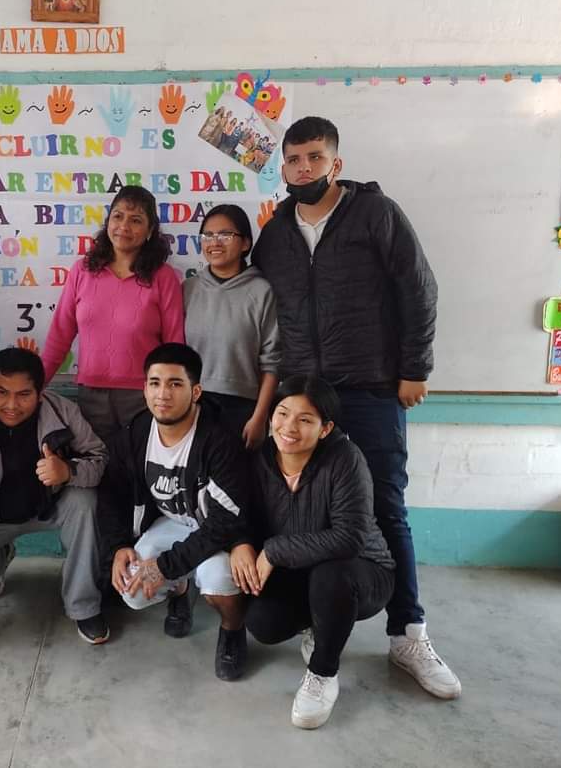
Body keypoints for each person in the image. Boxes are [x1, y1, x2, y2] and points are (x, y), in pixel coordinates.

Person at [251, 116, 460, 699]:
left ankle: (408, 634)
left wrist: (415, 368)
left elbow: (419, 288)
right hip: (304, 398)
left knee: (386, 511)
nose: (303, 169)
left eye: (314, 158)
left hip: (370, 390)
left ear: (335, 163)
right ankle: (321, 623)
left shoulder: (376, 215)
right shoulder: (275, 233)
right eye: (293, 160)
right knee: (305, 515)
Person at [234, 375, 395, 729]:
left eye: (305, 419)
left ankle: (323, 672)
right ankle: (322, 626)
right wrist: (240, 545)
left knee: (331, 577)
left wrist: (274, 550)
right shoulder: (260, 459)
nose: (289, 427)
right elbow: (242, 514)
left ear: (325, 429)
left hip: (362, 570)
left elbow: (349, 538)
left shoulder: (345, 459)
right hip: (300, 569)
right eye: (282, 413)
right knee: (263, 622)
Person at [98, 343, 250, 680]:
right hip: (173, 523)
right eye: (154, 383)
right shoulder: (138, 432)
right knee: (131, 591)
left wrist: (165, 566)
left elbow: (227, 520)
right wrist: (118, 546)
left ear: (195, 391)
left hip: (216, 532)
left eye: (175, 384)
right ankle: (180, 589)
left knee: (220, 581)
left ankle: (232, 630)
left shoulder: (219, 438)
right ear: (144, 388)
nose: (162, 394)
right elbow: (111, 492)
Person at [0, 347, 110, 644]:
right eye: (1, 393)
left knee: (85, 502)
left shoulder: (62, 410)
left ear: (41, 392)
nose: (11, 405)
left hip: (49, 507)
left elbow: (99, 459)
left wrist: (68, 471)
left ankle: (84, 605)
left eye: (24, 394)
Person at [41, 185, 184, 442]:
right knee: (97, 470)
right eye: (118, 216)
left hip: (145, 397)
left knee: (138, 473)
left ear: (150, 231)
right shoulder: (82, 271)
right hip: (90, 394)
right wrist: (34, 386)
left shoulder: (164, 278)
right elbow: (59, 336)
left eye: (136, 220)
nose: (124, 226)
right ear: (108, 221)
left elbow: (174, 344)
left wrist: (172, 394)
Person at [183, 204, 279, 449]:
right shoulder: (188, 289)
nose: (215, 242)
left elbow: (272, 364)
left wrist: (260, 417)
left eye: (225, 235)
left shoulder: (262, 291)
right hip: (192, 404)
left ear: (245, 243)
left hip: (241, 409)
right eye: (208, 236)